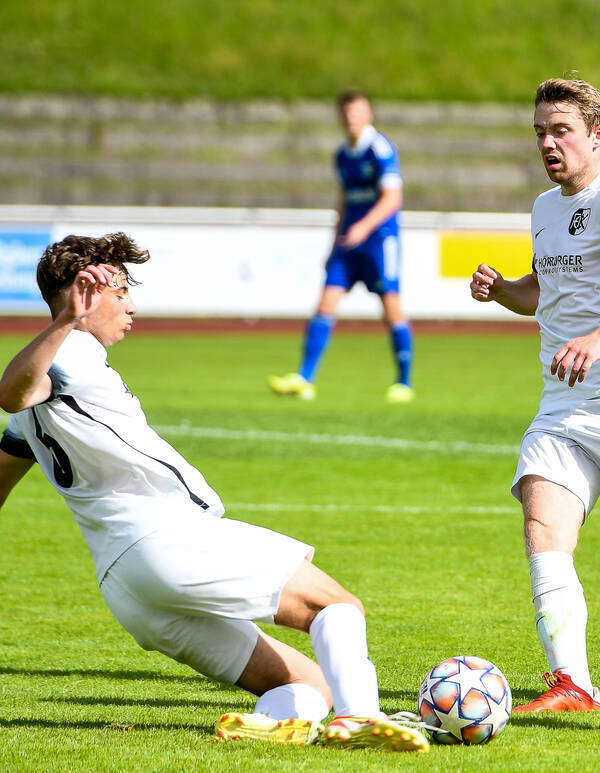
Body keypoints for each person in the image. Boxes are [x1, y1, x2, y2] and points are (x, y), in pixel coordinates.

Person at [0, 233, 427, 753]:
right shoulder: (71, 350)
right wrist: (65, 321)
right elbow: (11, 391)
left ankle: (274, 724)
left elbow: (12, 441)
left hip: (130, 590)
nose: (131, 303)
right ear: (80, 294)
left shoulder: (45, 394)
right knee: (334, 605)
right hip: (168, 543)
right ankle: (360, 720)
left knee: (308, 684)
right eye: (118, 289)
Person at [471, 77, 600, 712]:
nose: (547, 142)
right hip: (562, 406)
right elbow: (545, 294)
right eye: (540, 130)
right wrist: (502, 289)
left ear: (598, 134)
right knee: (542, 526)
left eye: (560, 129)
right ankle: (574, 683)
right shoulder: (544, 209)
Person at [269, 90, 414, 403]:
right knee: (325, 304)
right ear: (341, 117)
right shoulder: (342, 155)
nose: (352, 118)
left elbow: (392, 198)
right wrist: (335, 241)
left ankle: (403, 382)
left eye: (358, 112)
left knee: (391, 309)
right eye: (347, 113)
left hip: (379, 241)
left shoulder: (379, 148)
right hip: (350, 243)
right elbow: (344, 201)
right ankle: (304, 378)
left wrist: (364, 226)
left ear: (369, 114)